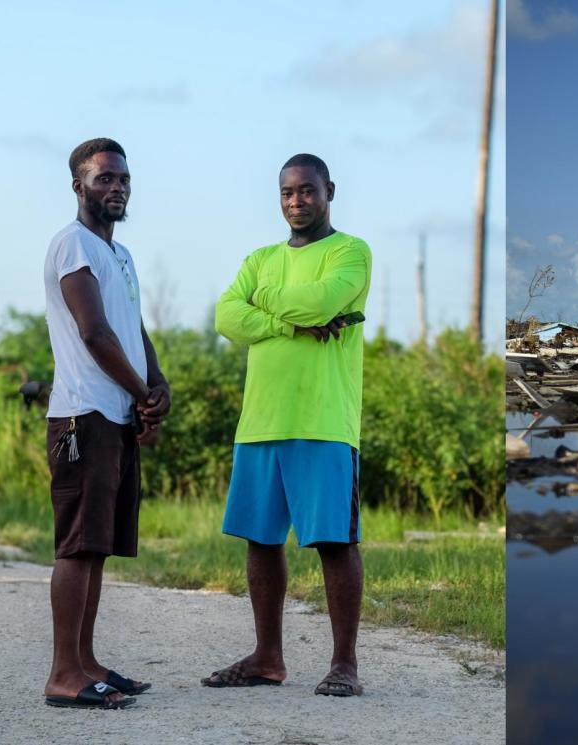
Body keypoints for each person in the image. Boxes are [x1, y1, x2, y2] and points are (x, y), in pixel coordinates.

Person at [205, 153, 371, 697]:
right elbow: (226, 316)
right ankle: (267, 658)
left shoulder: (350, 252)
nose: (296, 202)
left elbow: (323, 298)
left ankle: (344, 663)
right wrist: (296, 325)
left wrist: (266, 304)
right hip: (260, 420)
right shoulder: (260, 257)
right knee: (260, 539)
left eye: (306, 191)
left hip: (324, 421)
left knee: (333, 543)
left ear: (329, 190)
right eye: (286, 193)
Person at [41, 138, 171, 709]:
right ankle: (63, 673)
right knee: (76, 546)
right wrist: (141, 394)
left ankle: (87, 661)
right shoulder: (72, 246)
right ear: (78, 186)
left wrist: (157, 385)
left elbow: (131, 328)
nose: (116, 187)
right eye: (103, 179)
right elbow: (95, 333)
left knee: (97, 546)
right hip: (82, 416)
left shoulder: (120, 254)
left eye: (122, 179)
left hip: (114, 414)